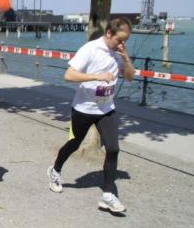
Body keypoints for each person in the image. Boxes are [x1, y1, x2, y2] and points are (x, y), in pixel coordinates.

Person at [46, 17, 135, 213]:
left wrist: (126, 58)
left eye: (125, 41)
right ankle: (55, 170)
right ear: (109, 33)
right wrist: (97, 76)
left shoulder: (120, 53)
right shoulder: (90, 49)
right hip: (83, 109)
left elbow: (129, 77)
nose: (122, 44)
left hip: (106, 109)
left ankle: (108, 195)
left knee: (113, 149)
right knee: (74, 144)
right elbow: (69, 75)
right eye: (119, 39)